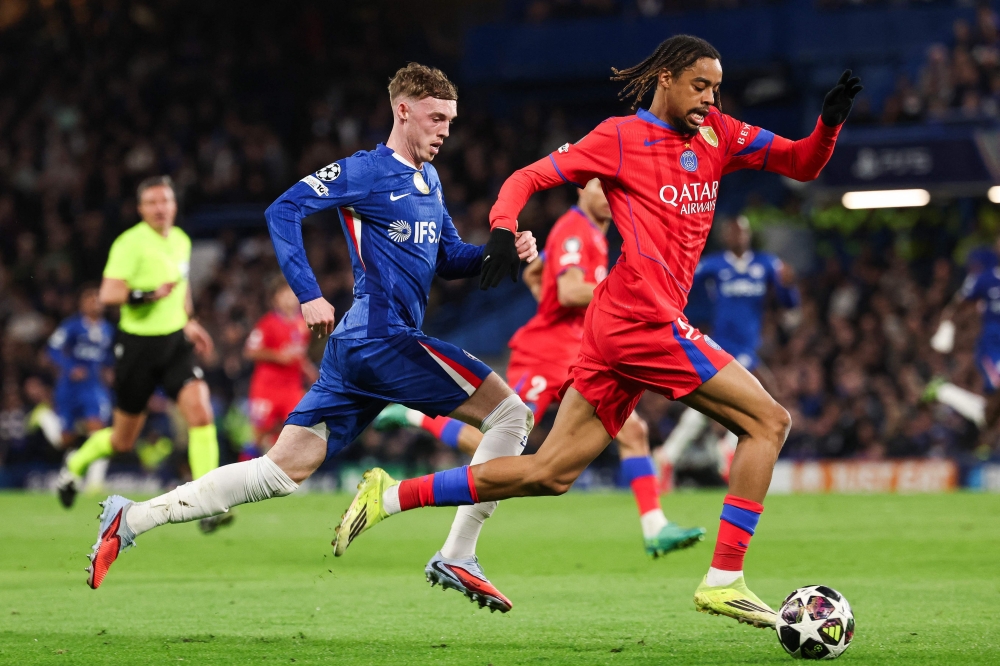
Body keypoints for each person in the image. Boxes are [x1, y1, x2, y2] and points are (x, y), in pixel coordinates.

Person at [334, 36, 860, 629]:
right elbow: (527, 177)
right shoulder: (618, 139)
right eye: (699, 86)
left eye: (716, 89)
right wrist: (504, 227)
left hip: (618, 325)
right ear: (665, 77)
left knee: (549, 473)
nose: (710, 101)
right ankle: (724, 580)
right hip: (643, 320)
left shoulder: (720, 134)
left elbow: (802, 162)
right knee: (769, 421)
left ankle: (392, 495)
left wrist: (829, 123)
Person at [82, 63, 538, 596]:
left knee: (281, 471)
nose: (444, 130)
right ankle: (458, 553)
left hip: (358, 350)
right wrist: (308, 294)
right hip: (382, 336)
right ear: (403, 110)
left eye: (450, 121)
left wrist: (498, 255)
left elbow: (447, 258)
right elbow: (284, 210)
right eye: (435, 117)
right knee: (511, 415)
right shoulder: (365, 171)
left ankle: (130, 518)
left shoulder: (428, 180)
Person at [373, 179, 705, 601]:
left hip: (582, 351)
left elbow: (539, 271)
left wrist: (542, 283)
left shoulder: (596, 237)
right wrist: (626, 295)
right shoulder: (575, 228)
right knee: (500, 442)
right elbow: (568, 290)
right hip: (545, 353)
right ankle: (414, 418)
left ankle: (654, 525)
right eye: (601, 186)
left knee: (633, 432)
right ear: (582, 190)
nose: (611, 193)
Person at [56, 176, 226, 534]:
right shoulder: (129, 243)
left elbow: (181, 289)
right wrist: (146, 295)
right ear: (141, 209)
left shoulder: (180, 240)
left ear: (174, 205)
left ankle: (209, 501)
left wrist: (190, 322)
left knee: (200, 411)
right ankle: (74, 466)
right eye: (152, 203)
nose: (160, 208)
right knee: (122, 440)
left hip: (175, 343)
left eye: (165, 201)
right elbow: (108, 294)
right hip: (138, 348)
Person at [658, 216, 799, 487]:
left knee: (713, 405)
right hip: (723, 344)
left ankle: (671, 453)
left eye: (742, 231)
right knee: (762, 395)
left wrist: (789, 286)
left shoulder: (767, 264)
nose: (738, 236)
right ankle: (726, 448)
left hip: (749, 346)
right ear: (725, 237)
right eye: (732, 232)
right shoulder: (714, 265)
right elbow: (682, 285)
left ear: (748, 234)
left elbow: (788, 303)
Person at [928, 237, 1000, 442]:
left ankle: (946, 392)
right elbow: (958, 307)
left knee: (989, 416)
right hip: (994, 345)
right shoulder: (986, 279)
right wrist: (945, 331)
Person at [243, 276, 318, 456]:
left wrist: (309, 370)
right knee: (259, 435)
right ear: (275, 298)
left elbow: (298, 354)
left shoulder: (303, 325)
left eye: (293, 294)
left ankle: (282, 477)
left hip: (291, 387)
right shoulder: (267, 323)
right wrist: (277, 356)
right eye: (284, 294)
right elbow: (250, 351)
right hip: (266, 387)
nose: (289, 298)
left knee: (294, 431)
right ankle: (244, 475)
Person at [47, 285, 115, 451]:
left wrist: (110, 370)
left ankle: (94, 477)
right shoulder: (71, 326)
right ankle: (44, 418)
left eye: (97, 299)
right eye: (90, 299)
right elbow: (52, 349)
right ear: (81, 304)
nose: (95, 303)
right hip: (70, 385)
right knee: (65, 439)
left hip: (93, 385)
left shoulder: (109, 330)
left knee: (97, 429)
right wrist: (70, 368)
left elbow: (109, 356)